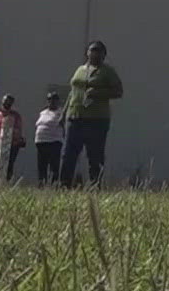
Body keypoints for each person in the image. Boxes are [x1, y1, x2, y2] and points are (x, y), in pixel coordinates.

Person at [60, 41, 123, 187]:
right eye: (92, 50)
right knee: (69, 153)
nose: (94, 53)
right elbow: (72, 92)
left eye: (98, 51)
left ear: (103, 54)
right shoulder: (80, 70)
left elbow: (118, 91)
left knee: (94, 155)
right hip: (75, 116)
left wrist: (97, 93)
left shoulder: (107, 71)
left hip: (96, 119)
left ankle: (95, 185)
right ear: (87, 53)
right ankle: (64, 185)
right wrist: (63, 114)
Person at [33, 88, 66, 185]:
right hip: (41, 142)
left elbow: (65, 125)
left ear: (57, 101)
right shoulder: (43, 112)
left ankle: (53, 184)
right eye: (50, 99)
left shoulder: (61, 113)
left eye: (54, 99)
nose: (51, 101)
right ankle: (41, 184)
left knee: (54, 166)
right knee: (42, 165)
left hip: (54, 142)